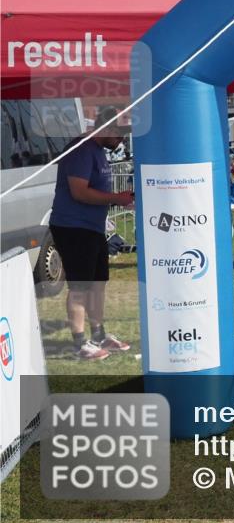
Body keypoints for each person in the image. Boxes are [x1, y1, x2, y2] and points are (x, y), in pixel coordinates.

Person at [49, 107, 134, 360]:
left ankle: (98, 335)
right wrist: (115, 198)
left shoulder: (96, 150)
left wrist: (118, 198)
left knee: (98, 285)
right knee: (80, 287)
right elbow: (79, 192)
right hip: (73, 227)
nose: (122, 140)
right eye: (120, 134)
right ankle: (80, 344)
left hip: (92, 227)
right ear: (106, 127)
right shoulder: (82, 149)